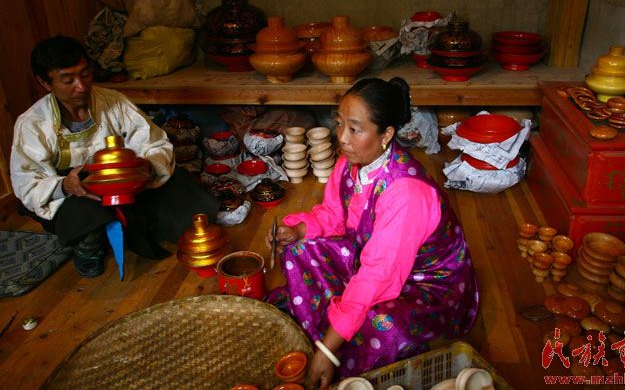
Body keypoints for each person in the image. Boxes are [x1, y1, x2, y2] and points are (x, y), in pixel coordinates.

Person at [265, 77, 479, 387]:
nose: (343, 138)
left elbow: (379, 275)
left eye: (355, 129)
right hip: (376, 259)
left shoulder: (407, 192)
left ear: (386, 134)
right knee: (300, 249)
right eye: (340, 124)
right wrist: (298, 230)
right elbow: (334, 215)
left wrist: (329, 350)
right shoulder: (349, 164)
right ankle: (334, 325)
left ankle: (332, 339)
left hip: (426, 284)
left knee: (384, 326)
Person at [10, 35, 220, 278]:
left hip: (126, 182)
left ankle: (141, 226)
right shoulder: (33, 123)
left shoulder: (113, 101)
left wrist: (147, 166)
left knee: (179, 182)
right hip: (77, 191)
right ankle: (88, 249)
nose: (81, 86)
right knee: (85, 213)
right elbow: (27, 181)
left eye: (85, 74)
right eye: (68, 80)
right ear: (45, 83)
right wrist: (65, 185)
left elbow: (152, 142)